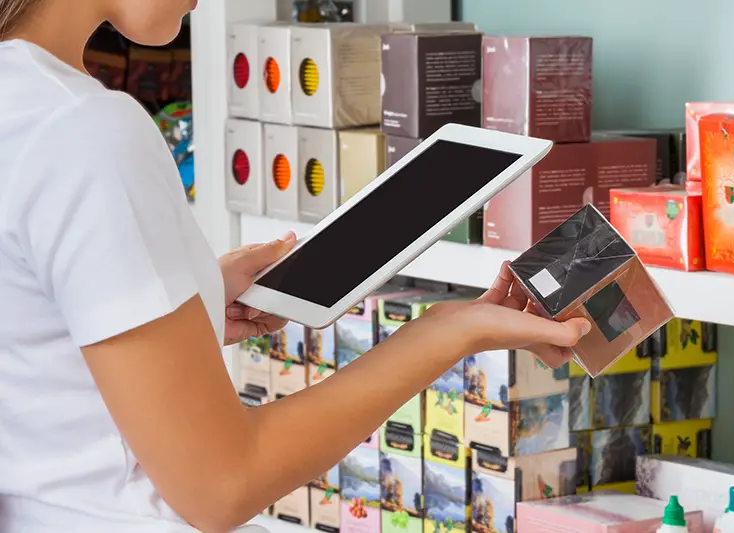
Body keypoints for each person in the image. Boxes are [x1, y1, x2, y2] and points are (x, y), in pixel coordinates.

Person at [0, 1, 592, 532]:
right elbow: (222, 485)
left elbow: (32, 343)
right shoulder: (83, 128)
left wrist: (191, 294)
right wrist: (442, 334)